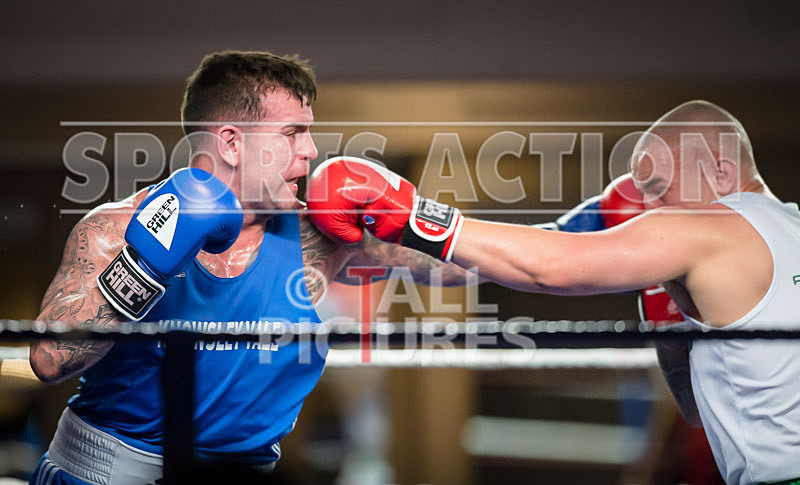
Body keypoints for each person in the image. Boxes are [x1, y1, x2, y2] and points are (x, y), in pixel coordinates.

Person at [29, 50, 469, 484]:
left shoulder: (318, 235)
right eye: (292, 133)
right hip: (98, 475)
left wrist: (412, 212)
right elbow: (48, 360)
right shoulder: (115, 228)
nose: (310, 150)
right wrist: (146, 265)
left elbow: (459, 269)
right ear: (231, 142)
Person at [309, 100, 800, 484]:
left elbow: (548, 268)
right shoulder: (786, 227)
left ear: (721, 172)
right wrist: (363, 248)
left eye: (657, 187)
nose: (647, 207)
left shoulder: (707, 229)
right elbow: (698, 410)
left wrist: (410, 212)